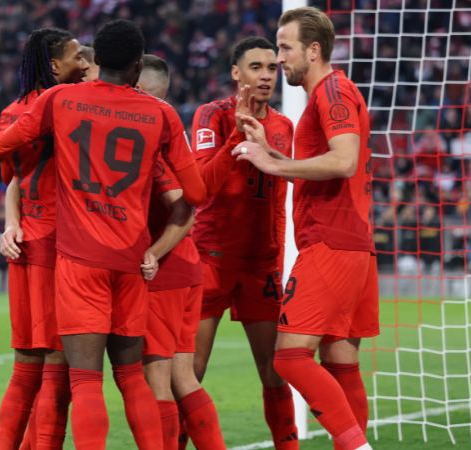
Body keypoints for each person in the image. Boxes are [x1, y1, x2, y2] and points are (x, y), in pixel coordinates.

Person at [0, 19, 207, 450]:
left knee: (84, 381)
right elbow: (195, 193)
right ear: (138, 66)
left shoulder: (60, 99)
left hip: (78, 259)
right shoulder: (162, 113)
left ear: (96, 59)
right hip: (131, 259)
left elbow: (2, 146)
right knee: (132, 378)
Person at [233, 7, 378, 450]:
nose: (279, 60)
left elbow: (343, 160)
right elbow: (323, 168)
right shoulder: (329, 94)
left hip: (330, 242)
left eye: (284, 48)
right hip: (354, 243)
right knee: (340, 359)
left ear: (313, 50)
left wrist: (270, 165)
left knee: (291, 356)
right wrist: (270, 155)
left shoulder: (331, 91)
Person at [190, 37, 297, 449]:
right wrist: (235, 136)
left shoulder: (285, 126)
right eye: (256, 67)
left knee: (275, 371)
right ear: (237, 73)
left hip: (261, 265)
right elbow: (200, 185)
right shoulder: (211, 116)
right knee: (191, 370)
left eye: (272, 67)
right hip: (210, 259)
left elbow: (289, 190)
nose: (267, 75)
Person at [0, 27, 88, 450]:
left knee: (25, 365)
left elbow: (13, 176)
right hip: (57, 243)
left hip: (26, 241)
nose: (84, 64)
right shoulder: (67, 107)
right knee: (58, 365)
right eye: (76, 57)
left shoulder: (11, 111)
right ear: (53, 66)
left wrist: (11, 222)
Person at [136, 54, 226, 450]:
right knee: (183, 377)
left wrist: (153, 253)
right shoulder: (173, 130)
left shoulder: (153, 134)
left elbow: (185, 209)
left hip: (166, 272)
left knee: (157, 379)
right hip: (187, 269)